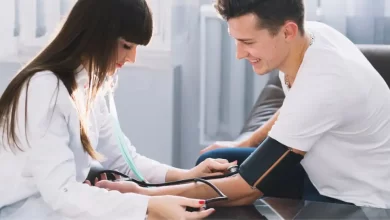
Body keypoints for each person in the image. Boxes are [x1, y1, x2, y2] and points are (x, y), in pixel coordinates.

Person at [94, 0, 390, 209]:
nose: (238, 54)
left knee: (227, 187)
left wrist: (143, 194)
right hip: (320, 168)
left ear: (286, 31)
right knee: (217, 161)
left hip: (358, 200)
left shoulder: (326, 81)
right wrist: (244, 141)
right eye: (236, 40)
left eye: (247, 42)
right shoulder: (310, 36)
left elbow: (247, 188)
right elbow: (296, 106)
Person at [0, 0, 237, 219]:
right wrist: (147, 206)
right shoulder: (44, 89)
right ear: (96, 35)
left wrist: (185, 175)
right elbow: (61, 192)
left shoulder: (88, 86)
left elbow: (126, 160)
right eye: (126, 45)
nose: (132, 57)